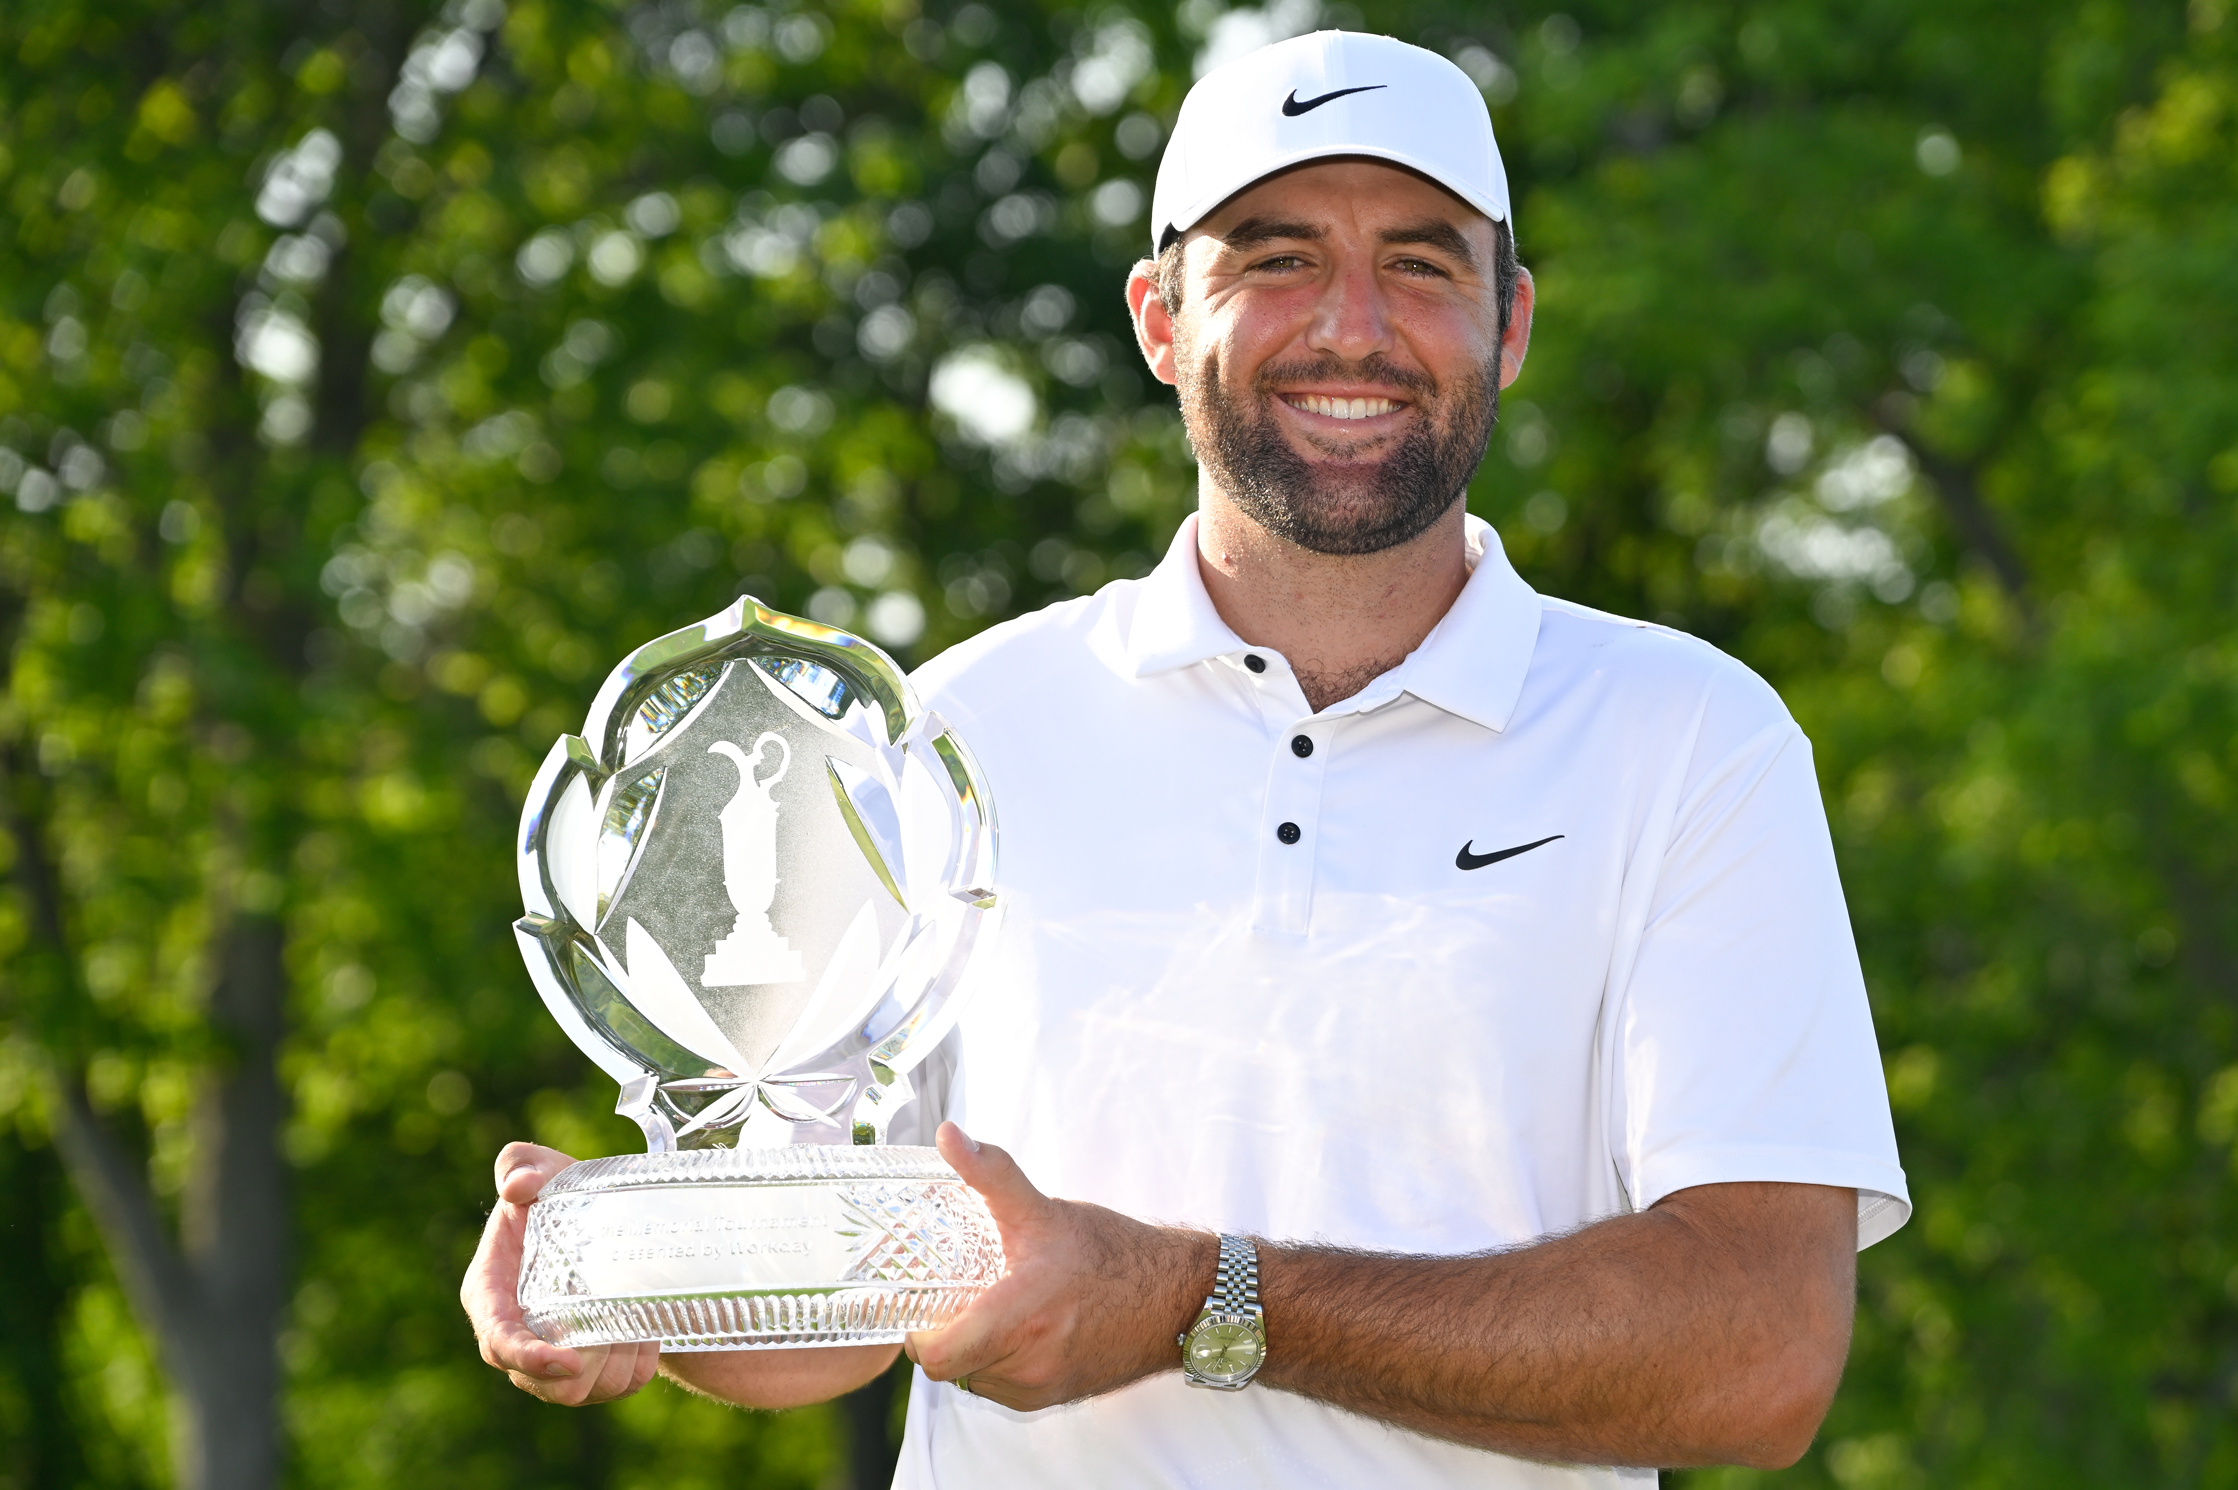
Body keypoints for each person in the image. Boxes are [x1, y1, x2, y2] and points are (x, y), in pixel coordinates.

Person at [463, 30, 1909, 1487]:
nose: (1352, 326)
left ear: (1511, 323)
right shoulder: (944, 734)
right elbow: (840, 1292)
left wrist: (1191, 1300)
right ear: (1160, 317)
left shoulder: (1689, 738)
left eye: (1419, 264)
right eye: (1274, 259)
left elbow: (1762, 1350)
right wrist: (636, 1281)